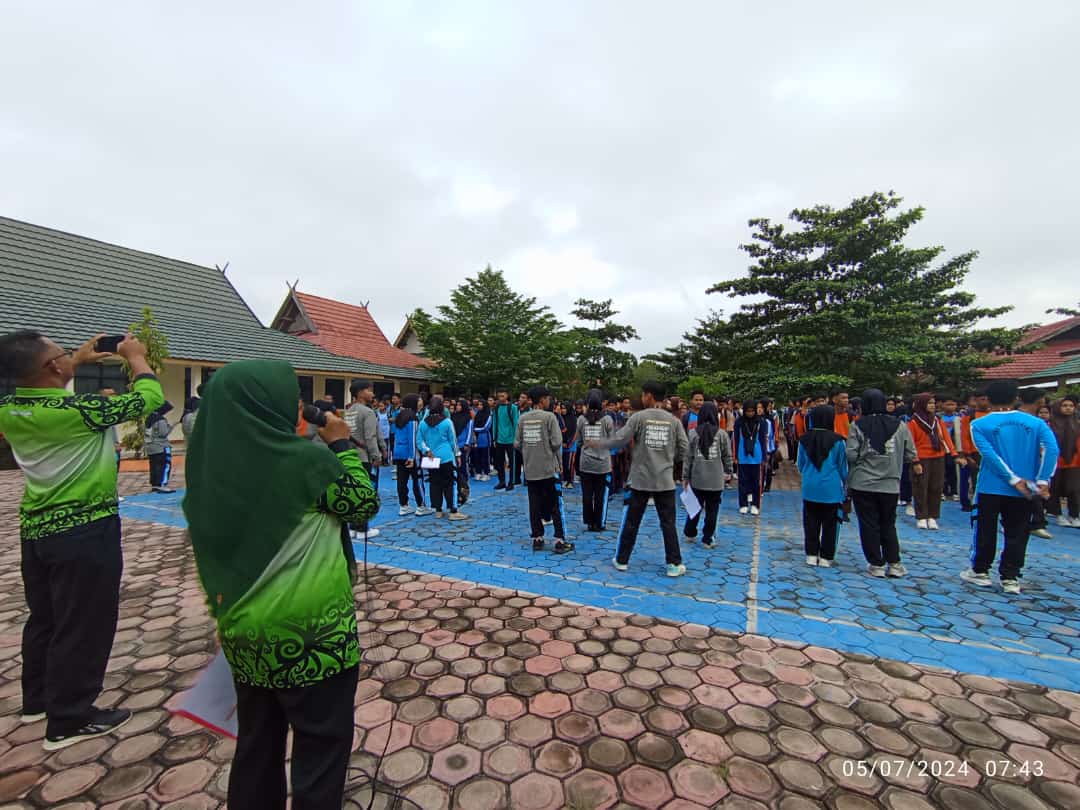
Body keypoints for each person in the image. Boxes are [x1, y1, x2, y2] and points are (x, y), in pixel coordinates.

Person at [183, 360, 378, 810]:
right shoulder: (304, 462)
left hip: (243, 630)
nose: (298, 406)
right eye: (291, 398)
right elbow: (362, 504)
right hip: (313, 636)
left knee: (257, 745)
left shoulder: (211, 469)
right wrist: (342, 445)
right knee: (320, 750)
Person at [0, 330, 163, 750]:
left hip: (37, 529)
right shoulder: (83, 410)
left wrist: (75, 361)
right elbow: (149, 397)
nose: (68, 356)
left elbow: (49, 387)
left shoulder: (10, 410)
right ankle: (70, 718)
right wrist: (136, 357)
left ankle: (38, 700)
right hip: (85, 529)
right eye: (61, 354)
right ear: (52, 367)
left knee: (46, 618)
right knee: (84, 623)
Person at [962, 380, 1058, 594]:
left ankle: (980, 571)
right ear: (1016, 398)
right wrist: (1043, 480)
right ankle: (1010, 577)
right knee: (1018, 531)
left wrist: (1012, 478)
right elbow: (1052, 450)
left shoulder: (980, 424)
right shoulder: (1036, 423)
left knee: (985, 529)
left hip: (990, 487)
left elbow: (989, 455)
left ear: (988, 399)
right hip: (1025, 488)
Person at [588, 381, 689, 577]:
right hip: (664, 480)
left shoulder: (639, 417)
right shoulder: (674, 421)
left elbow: (620, 439)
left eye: (643, 395)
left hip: (640, 479)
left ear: (649, 396)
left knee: (632, 521)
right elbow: (684, 449)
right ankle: (674, 564)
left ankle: (622, 560)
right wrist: (669, 459)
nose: (642, 398)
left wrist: (599, 444)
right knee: (668, 523)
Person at [846, 389, 919, 577]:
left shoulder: (857, 425)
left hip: (863, 483)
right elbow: (911, 453)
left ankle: (876, 564)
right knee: (888, 523)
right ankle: (894, 563)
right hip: (890, 483)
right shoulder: (900, 426)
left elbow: (851, 454)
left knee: (868, 523)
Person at [515, 385, 573, 553]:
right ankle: (560, 540)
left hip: (531, 469)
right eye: (548, 398)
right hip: (548, 469)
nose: (550, 401)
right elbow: (556, 442)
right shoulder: (550, 417)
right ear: (542, 400)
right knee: (555, 505)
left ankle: (538, 538)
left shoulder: (523, 418)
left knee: (534, 504)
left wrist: (530, 451)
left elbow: (517, 443)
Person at [797, 404, 848, 567]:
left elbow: (800, 464)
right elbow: (843, 467)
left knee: (810, 522)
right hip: (831, 489)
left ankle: (811, 554)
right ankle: (826, 556)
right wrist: (846, 485)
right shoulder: (838, 441)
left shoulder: (804, 439)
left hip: (810, 487)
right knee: (831, 524)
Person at [908, 393, 964, 530]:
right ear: (921, 404)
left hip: (938, 456)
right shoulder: (913, 422)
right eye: (929, 403)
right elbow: (910, 443)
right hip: (921, 458)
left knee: (936, 487)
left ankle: (932, 516)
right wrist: (915, 461)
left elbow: (945, 437)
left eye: (933, 403)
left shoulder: (937, 420)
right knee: (921, 487)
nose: (932, 405)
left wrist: (954, 454)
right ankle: (921, 516)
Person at [682, 402, 733, 548]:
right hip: (715, 480)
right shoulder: (722, 434)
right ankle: (707, 538)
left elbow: (688, 457)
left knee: (694, 507)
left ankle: (690, 532)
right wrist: (729, 471)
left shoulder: (693, 433)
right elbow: (727, 456)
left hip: (697, 478)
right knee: (712, 510)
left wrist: (685, 476)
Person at [345, 381, 386, 539]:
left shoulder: (349, 411)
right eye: (369, 391)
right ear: (361, 392)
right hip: (363, 456)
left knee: (353, 491)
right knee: (365, 492)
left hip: (350, 455)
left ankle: (353, 527)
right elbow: (371, 436)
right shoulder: (367, 412)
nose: (372, 394)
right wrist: (376, 455)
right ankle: (363, 528)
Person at [418, 395, 467, 520]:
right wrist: (457, 455)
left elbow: (419, 441)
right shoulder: (447, 422)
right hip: (446, 457)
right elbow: (453, 440)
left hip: (432, 458)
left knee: (435, 483)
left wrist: (426, 450)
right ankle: (453, 510)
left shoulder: (423, 423)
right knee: (450, 483)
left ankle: (438, 510)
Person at [574, 389, 615, 532]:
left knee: (587, 494)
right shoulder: (607, 420)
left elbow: (579, 442)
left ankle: (589, 522)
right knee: (600, 495)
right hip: (603, 464)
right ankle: (599, 522)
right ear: (601, 402)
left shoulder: (581, 419)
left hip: (585, 463)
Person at [1017, 389, 1053, 539]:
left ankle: (1036, 523)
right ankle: (1032, 524)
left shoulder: (1037, 421)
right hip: (1019, 462)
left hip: (1033, 461)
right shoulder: (1022, 419)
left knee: (1031, 493)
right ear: (1040, 401)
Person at [390, 394, 432, 516]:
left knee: (401, 481)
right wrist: (412, 457)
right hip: (410, 453)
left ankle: (404, 506)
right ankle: (421, 506)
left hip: (398, 452)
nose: (421, 402)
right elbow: (413, 438)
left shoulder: (400, 416)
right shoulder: (412, 417)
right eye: (419, 400)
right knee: (417, 479)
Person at [1047, 395, 1080, 528]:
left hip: (1074, 461)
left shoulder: (1077, 423)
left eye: (1071, 406)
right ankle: (1058, 514)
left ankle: (1074, 515)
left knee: (1074, 489)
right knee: (1055, 488)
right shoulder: (1050, 424)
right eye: (1065, 405)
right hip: (1056, 461)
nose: (1068, 408)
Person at [733, 400, 769, 515]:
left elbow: (763, 440)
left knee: (756, 482)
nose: (750, 413)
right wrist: (735, 456)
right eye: (748, 411)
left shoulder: (761, 422)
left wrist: (764, 457)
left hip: (757, 456)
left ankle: (755, 504)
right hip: (742, 455)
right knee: (742, 482)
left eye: (752, 411)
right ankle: (743, 504)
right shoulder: (739, 422)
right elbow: (735, 439)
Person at [144, 401, 175, 493]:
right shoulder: (160, 420)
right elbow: (163, 433)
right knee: (165, 465)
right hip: (162, 446)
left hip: (151, 446)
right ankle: (162, 484)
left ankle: (155, 485)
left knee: (154, 466)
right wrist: (171, 426)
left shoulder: (149, 418)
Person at [491, 388, 519, 491]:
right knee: (499, 462)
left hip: (511, 439)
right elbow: (495, 422)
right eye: (499, 396)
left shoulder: (513, 408)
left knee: (512, 462)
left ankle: (511, 482)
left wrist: (516, 438)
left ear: (507, 395)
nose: (500, 398)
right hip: (499, 439)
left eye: (502, 395)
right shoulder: (496, 408)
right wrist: (494, 438)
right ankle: (502, 481)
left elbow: (516, 423)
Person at [451, 398, 473, 505]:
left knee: (463, 467)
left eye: (460, 405)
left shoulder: (468, 418)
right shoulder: (453, 417)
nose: (458, 407)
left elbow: (469, 431)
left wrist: (467, 443)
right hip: (454, 446)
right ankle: (458, 490)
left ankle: (464, 490)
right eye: (457, 405)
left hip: (463, 445)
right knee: (456, 469)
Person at [470, 398, 492, 481]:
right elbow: (473, 425)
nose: (479, 406)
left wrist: (475, 429)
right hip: (476, 439)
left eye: (481, 405)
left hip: (484, 438)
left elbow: (485, 427)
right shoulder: (477, 415)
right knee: (477, 457)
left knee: (485, 457)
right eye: (478, 405)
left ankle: (486, 473)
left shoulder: (489, 415)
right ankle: (478, 472)